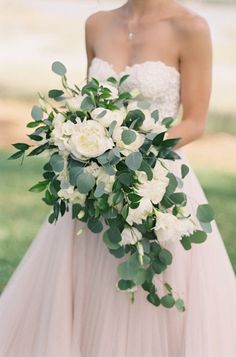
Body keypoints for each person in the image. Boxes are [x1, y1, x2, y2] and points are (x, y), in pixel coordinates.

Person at [0, 0, 236, 356]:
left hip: (157, 182)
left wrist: (133, 152)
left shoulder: (192, 28)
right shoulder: (96, 23)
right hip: (94, 180)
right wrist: (85, 142)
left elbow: (195, 121)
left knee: (148, 285)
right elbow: (88, 105)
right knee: (88, 279)